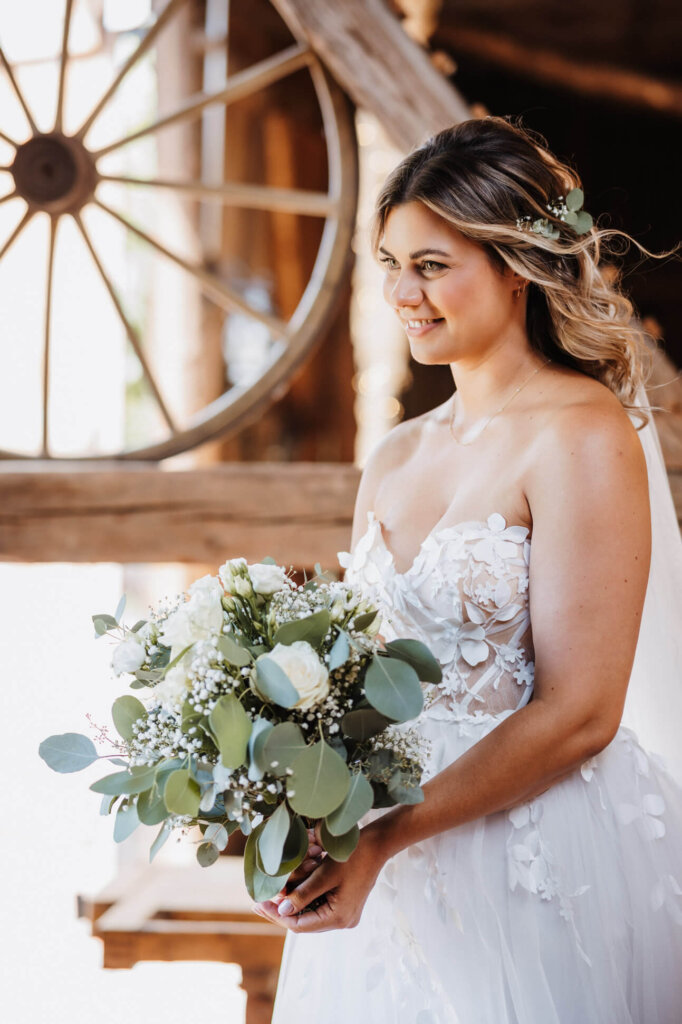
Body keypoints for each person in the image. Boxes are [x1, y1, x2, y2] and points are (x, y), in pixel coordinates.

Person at [254, 116, 682, 1023]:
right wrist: (295, 812)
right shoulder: (395, 457)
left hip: (529, 856)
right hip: (382, 873)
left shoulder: (582, 433)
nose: (402, 293)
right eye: (390, 263)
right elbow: (354, 687)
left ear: (517, 265)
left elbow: (584, 712)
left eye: (433, 266)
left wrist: (385, 840)